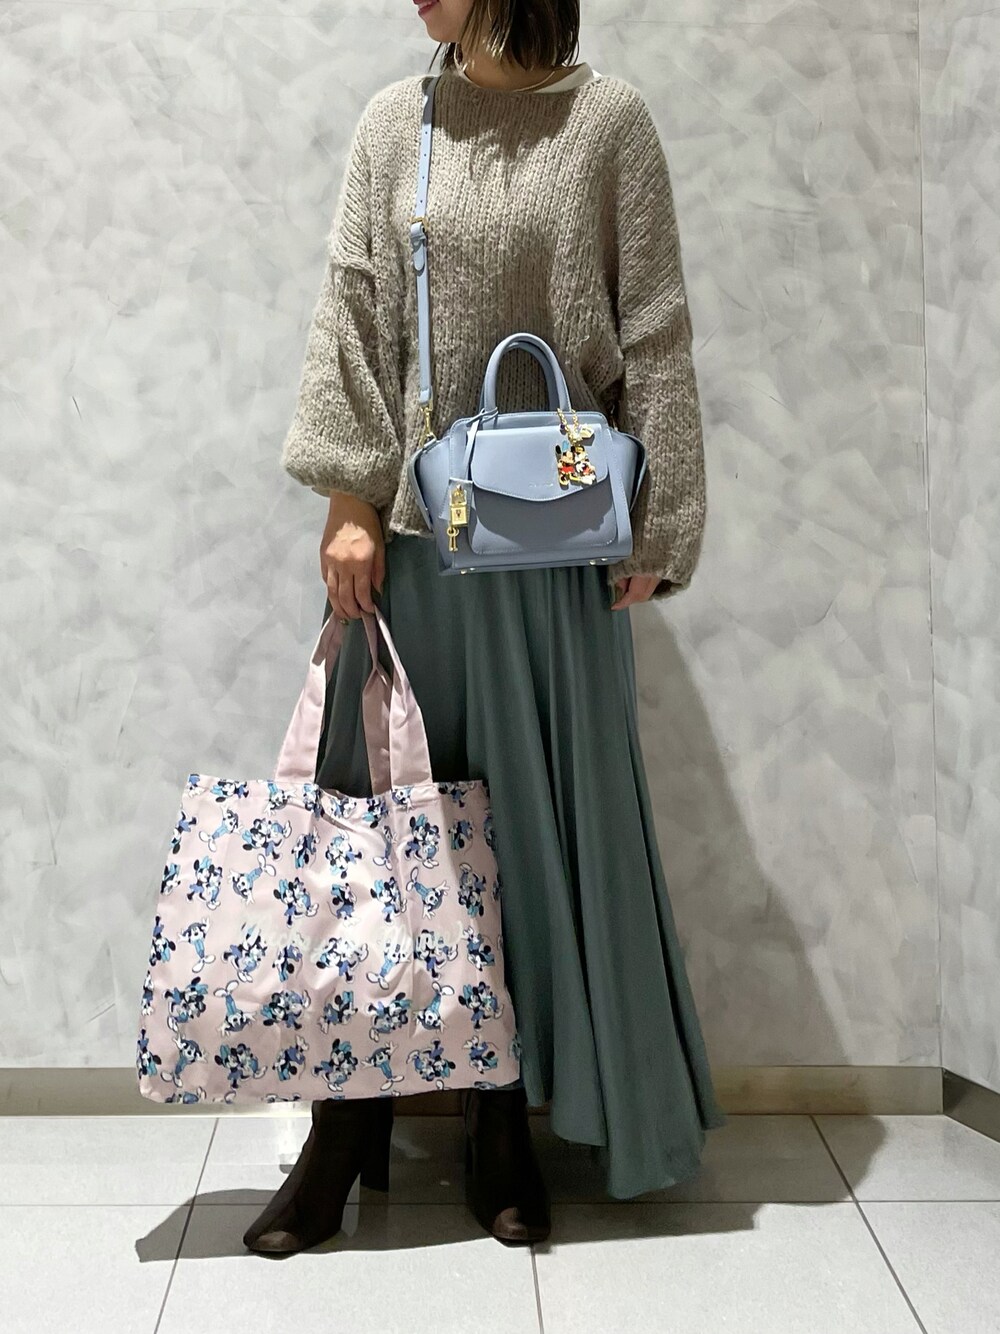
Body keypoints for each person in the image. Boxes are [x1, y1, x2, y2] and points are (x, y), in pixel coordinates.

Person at [243, 0, 728, 1256]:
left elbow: (653, 326)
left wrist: (661, 521)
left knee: (521, 842)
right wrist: (348, 502)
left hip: (553, 554)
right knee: (377, 841)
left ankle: (501, 1118)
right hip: (411, 552)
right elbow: (353, 316)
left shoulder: (607, 123)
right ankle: (343, 1125)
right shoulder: (394, 122)